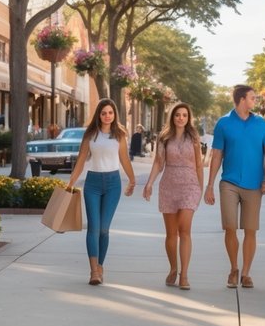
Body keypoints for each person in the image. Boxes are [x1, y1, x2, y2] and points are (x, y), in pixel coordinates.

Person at [204, 84, 265, 289]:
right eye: (252, 98)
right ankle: (234, 268)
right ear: (242, 100)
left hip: (254, 185)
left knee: (251, 230)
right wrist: (210, 185)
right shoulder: (223, 123)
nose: (255, 101)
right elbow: (217, 155)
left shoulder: (261, 124)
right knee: (230, 227)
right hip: (229, 183)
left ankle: (246, 273)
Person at [67, 99, 136, 285]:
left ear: (114, 115)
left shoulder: (119, 135)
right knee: (94, 227)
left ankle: (100, 266)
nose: (107, 116)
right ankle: (93, 272)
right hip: (93, 183)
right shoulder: (90, 135)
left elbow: (124, 159)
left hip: (113, 183)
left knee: (104, 229)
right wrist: (71, 182)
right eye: (104, 112)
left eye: (110, 113)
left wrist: (132, 179)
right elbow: (81, 161)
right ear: (98, 114)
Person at [142, 103, 204, 290]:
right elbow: (159, 163)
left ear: (188, 118)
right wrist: (150, 183)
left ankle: (184, 275)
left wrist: (200, 189)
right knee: (171, 233)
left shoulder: (193, 137)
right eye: (178, 115)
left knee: (185, 229)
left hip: (190, 186)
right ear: (173, 117)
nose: (181, 118)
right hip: (168, 185)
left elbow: (199, 165)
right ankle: (173, 267)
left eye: (184, 115)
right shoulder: (164, 138)